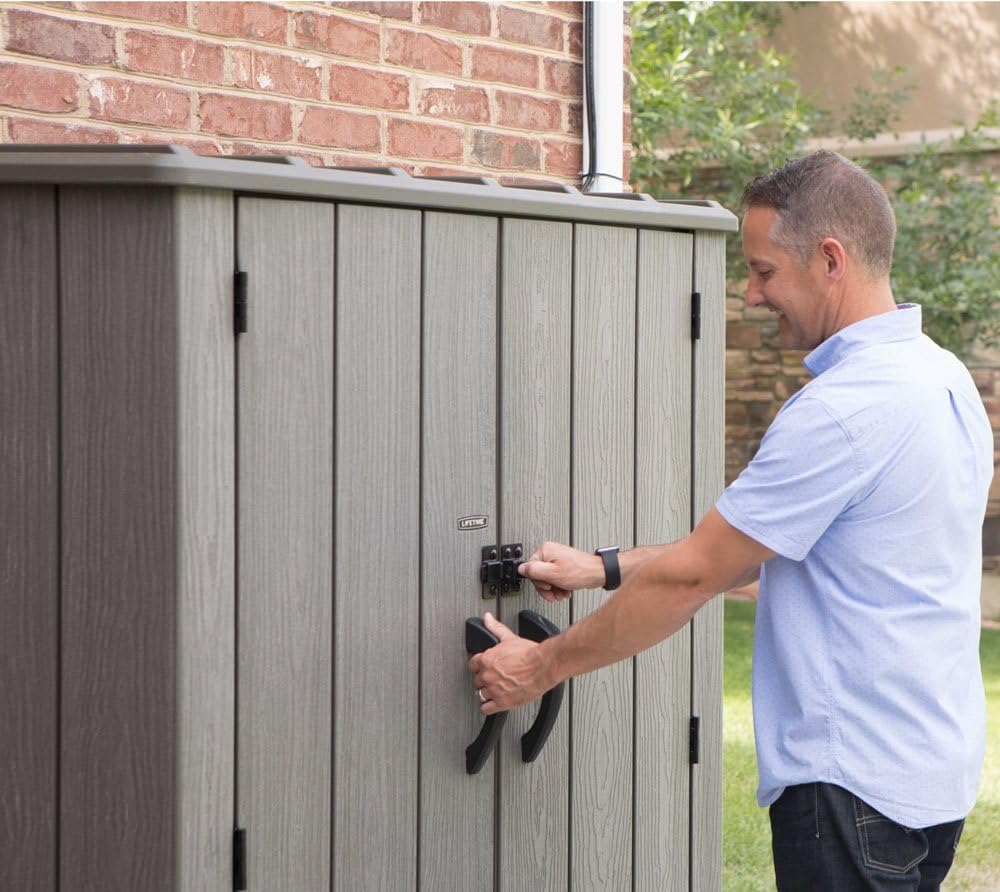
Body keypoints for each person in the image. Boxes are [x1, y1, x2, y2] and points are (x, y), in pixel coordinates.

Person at [468, 150, 993, 891]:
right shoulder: (940, 377)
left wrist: (539, 667)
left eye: (764, 271)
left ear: (831, 259)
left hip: (851, 786)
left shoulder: (844, 411)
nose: (750, 295)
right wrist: (603, 567)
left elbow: (694, 575)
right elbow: (782, 547)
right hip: (929, 774)